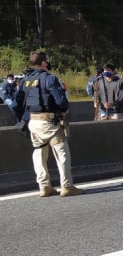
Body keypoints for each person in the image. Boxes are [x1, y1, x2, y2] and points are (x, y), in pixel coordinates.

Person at [14, 51, 83, 197]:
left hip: (33, 122)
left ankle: (44, 186)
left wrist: (23, 118)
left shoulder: (25, 80)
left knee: (39, 152)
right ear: (44, 63)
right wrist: (64, 108)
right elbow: (61, 102)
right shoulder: (50, 79)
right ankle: (67, 186)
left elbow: (16, 104)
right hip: (49, 121)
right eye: (48, 60)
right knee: (61, 151)